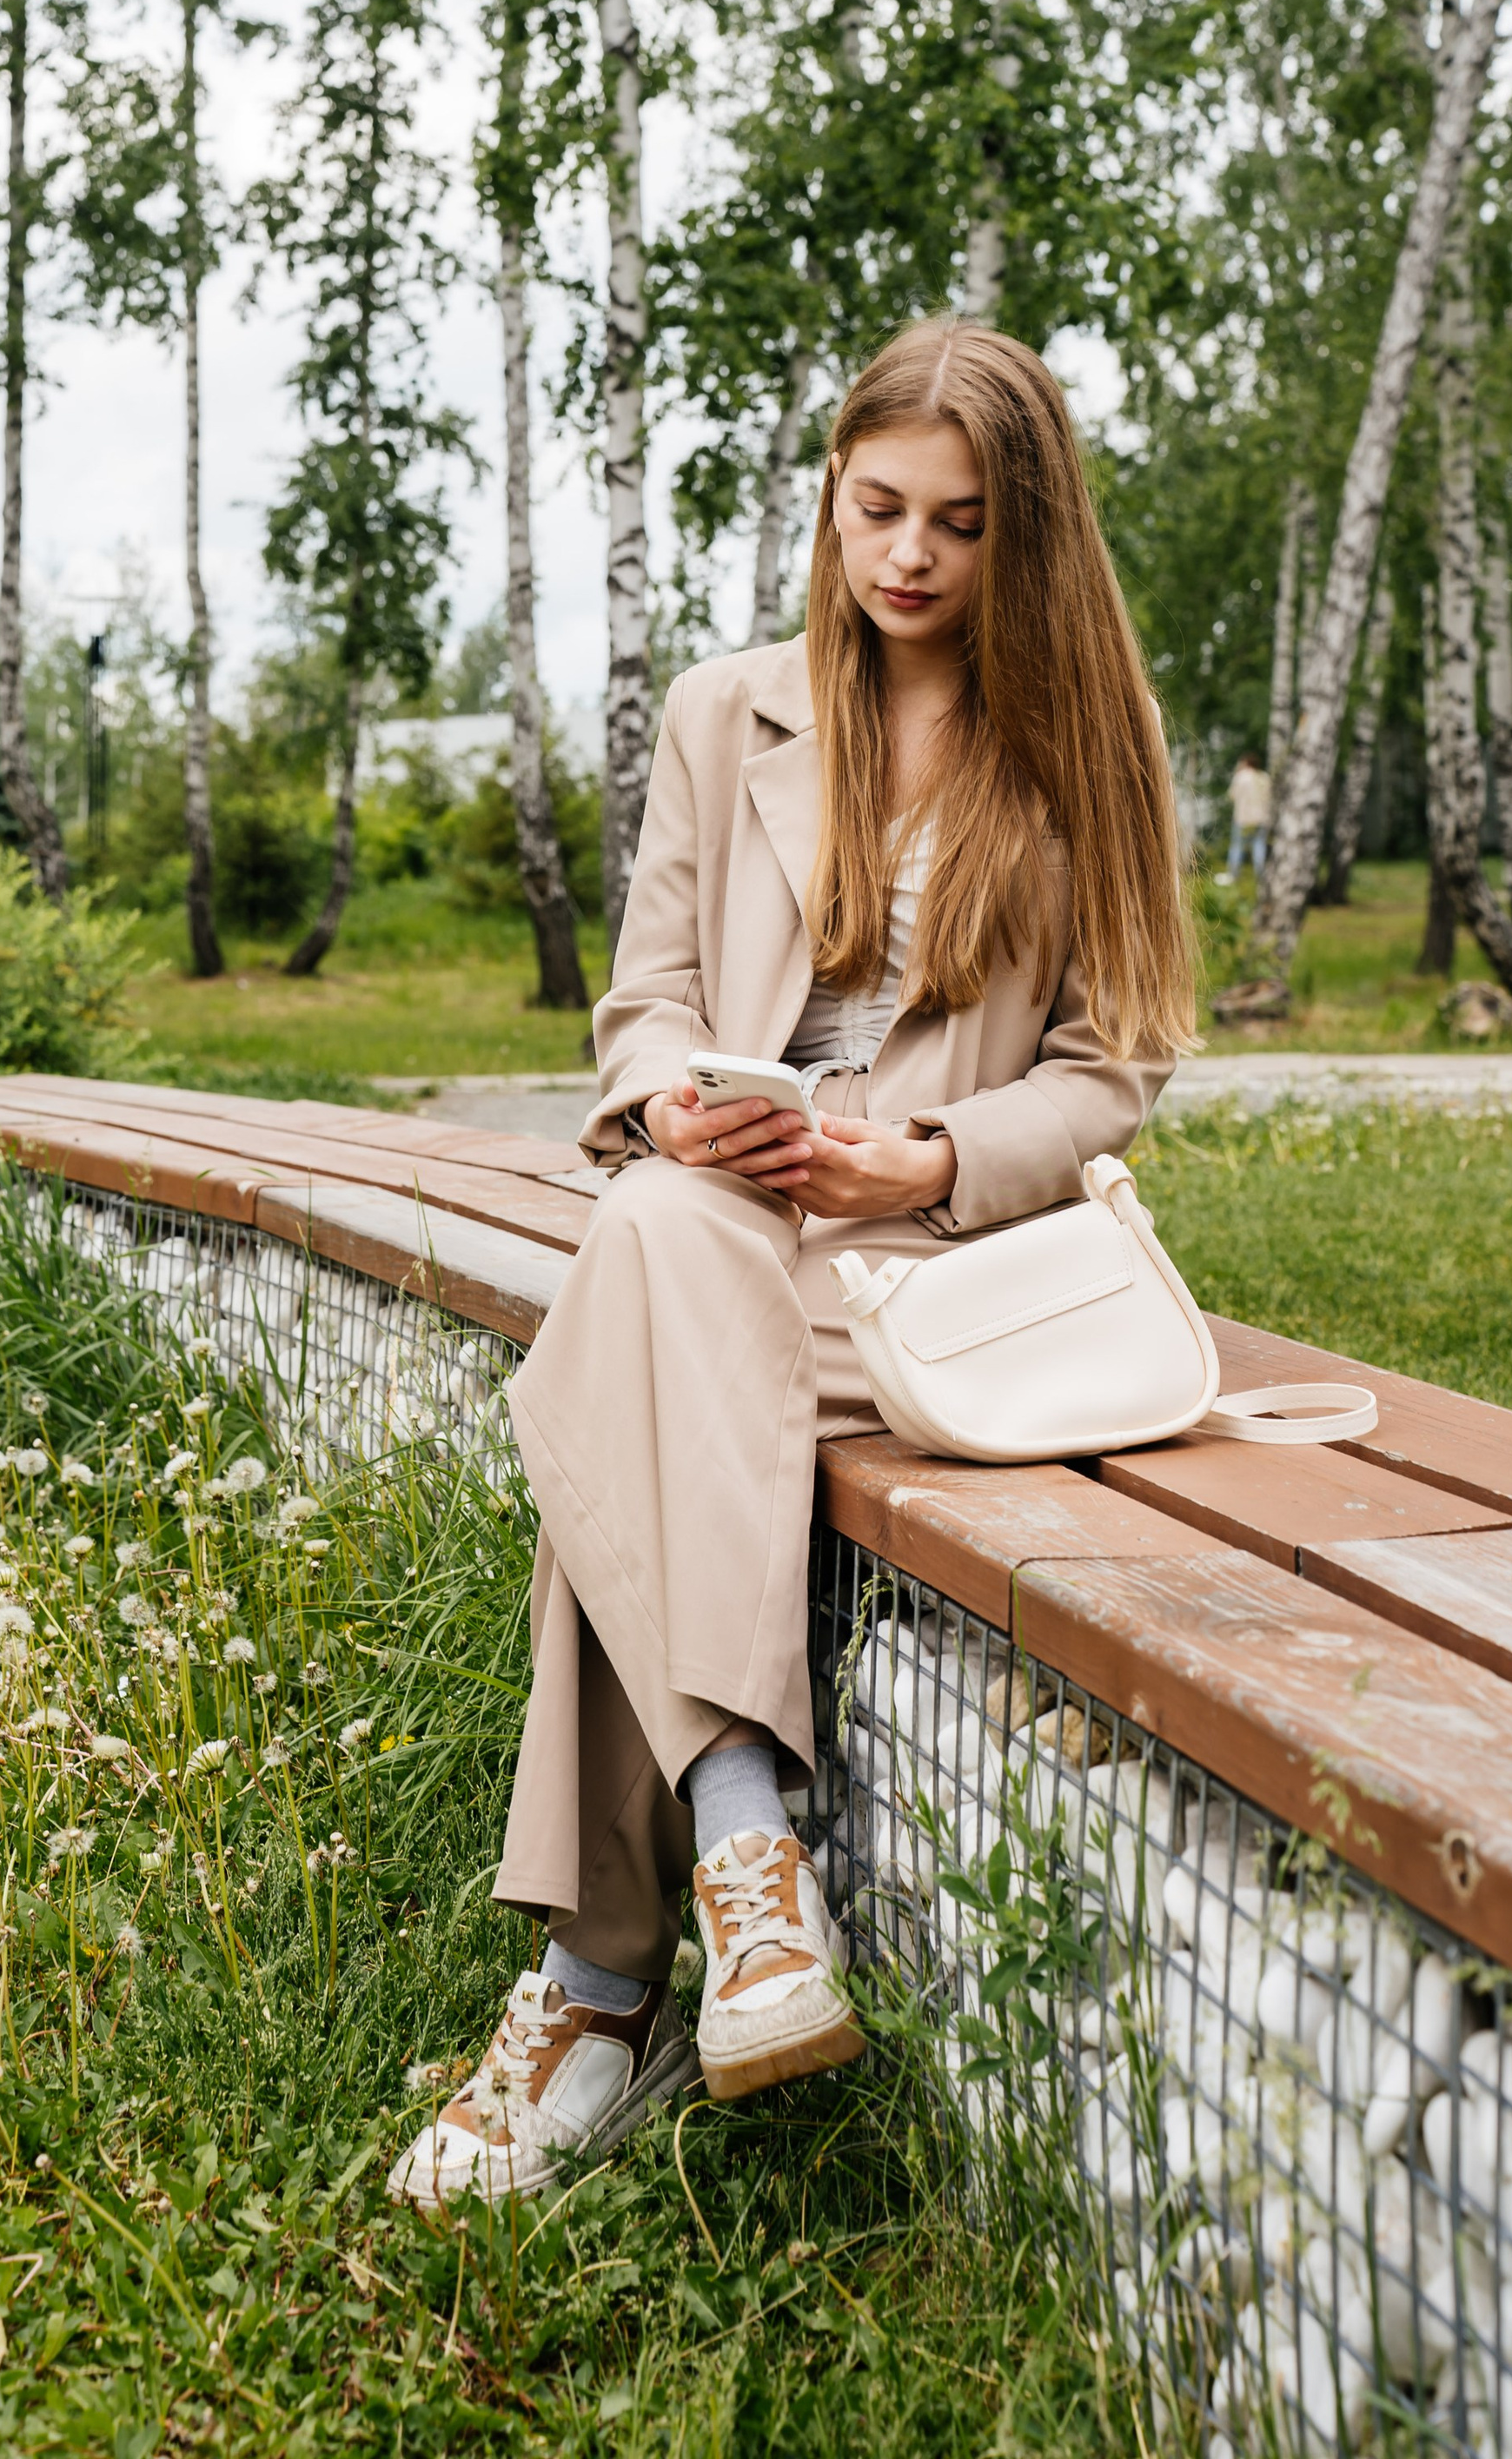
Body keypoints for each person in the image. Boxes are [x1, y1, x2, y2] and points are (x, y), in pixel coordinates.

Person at [387, 316, 1194, 2218]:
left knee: (624, 1341)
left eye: (960, 525)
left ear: (1027, 540)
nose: (906, 556)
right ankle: (748, 1883)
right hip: (722, 1228)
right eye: (875, 508)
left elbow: (1113, 1068)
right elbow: (646, 1005)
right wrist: (673, 1108)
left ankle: (603, 1984)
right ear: (828, 499)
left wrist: (922, 1150)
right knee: (661, 1233)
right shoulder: (722, 710)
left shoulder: (1083, 743)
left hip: (924, 1274)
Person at [1226, 750, 1273, 881]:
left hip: (1243, 818)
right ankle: (1260, 876)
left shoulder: (1241, 777)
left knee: (1237, 845)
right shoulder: (1264, 777)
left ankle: (1234, 875)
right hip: (1262, 819)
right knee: (1259, 846)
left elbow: (1232, 795)